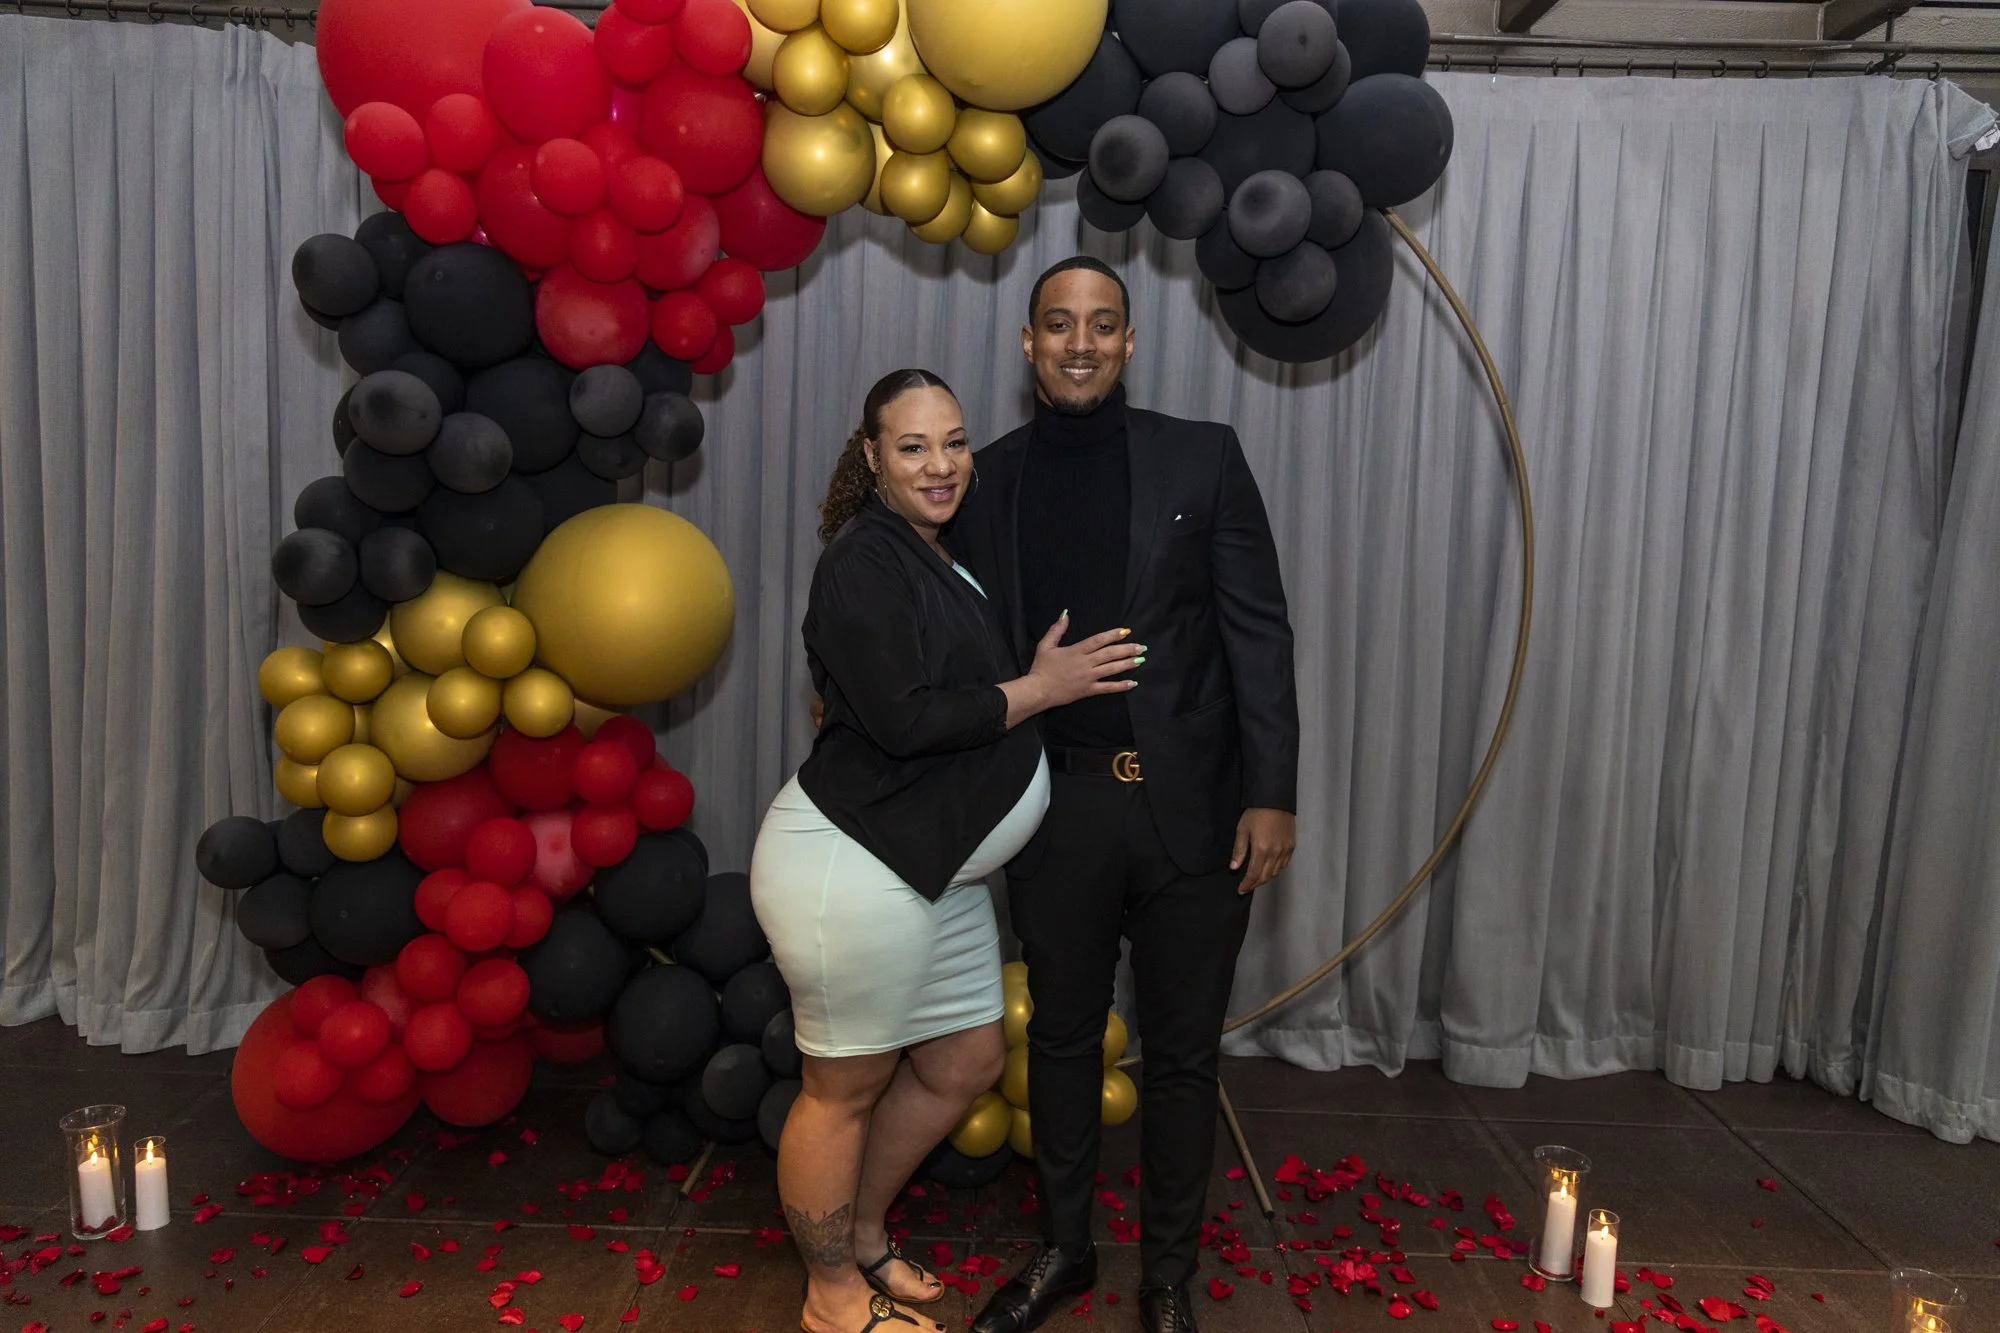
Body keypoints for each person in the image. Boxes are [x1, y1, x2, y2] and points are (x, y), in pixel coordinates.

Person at [750, 367, 1145, 1333]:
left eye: (956, 441)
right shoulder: (863, 559)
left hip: (939, 870)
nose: (942, 464)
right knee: (840, 1089)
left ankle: (867, 1232)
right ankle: (832, 1293)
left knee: (964, 1061)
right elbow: (904, 718)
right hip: (856, 861)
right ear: (873, 458)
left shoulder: (935, 550)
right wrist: (1044, 688)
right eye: (915, 446)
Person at [949, 258, 1300, 1333]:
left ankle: (1166, 1280)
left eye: (1102, 324)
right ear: (1026, 342)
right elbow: (960, 642)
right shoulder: (988, 479)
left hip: (1192, 811)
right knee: (1058, 1036)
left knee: (1185, 1054)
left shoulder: (1204, 458)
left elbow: (1256, 634)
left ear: (1131, 341)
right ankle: (1063, 1252)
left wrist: (1272, 793)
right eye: (1058, 324)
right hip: (1055, 808)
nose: (1080, 343)